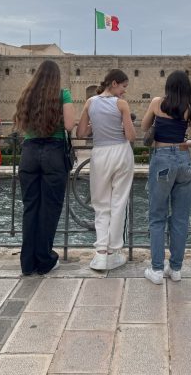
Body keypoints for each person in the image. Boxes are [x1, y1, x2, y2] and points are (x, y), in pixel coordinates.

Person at [141, 71, 191, 284]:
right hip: (184, 161)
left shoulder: (157, 102)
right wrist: (186, 143)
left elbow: (144, 127)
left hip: (162, 159)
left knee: (157, 216)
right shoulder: (190, 108)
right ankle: (175, 269)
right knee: (180, 218)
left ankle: (157, 269)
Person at [13, 60, 76, 276]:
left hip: (29, 153)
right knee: (49, 208)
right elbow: (69, 125)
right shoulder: (62, 94)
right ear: (56, 77)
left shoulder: (27, 94)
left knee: (30, 207)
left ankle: (27, 263)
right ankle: (44, 259)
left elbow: (21, 122)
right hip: (53, 153)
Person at [77, 69, 136, 271]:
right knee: (118, 202)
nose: (124, 91)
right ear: (114, 83)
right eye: (123, 86)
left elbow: (81, 132)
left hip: (100, 154)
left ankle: (101, 253)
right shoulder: (121, 104)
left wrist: (96, 125)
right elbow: (131, 135)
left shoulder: (90, 102)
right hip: (121, 152)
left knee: (100, 203)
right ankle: (113, 252)